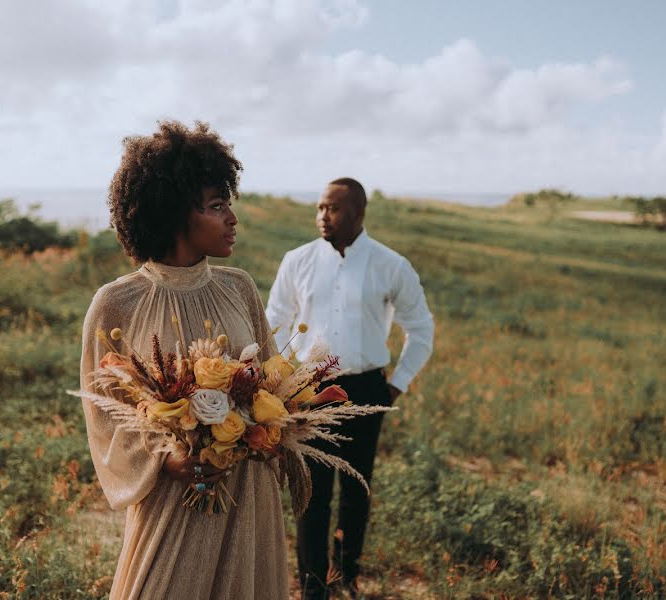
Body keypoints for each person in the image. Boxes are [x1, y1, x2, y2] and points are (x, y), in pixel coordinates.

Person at [79, 120, 288, 599]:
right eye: (215, 206)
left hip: (247, 491)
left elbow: (272, 381)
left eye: (227, 202)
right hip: (175, 499)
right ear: (174, 214)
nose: (232, 218)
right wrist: (164, 459)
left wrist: (267, 431)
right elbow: (103, 415)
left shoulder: (239, 288)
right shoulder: (117, 303)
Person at [265, 178, 435, 598]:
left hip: (367, 388)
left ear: (359, 214)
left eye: (333, 209)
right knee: (312, 490)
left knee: (357, 488)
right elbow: (274, 321)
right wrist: (282, 380)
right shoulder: (298, 260)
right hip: (309, 388)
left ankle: (347, 575)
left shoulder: (390, 265)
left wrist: (395, 385)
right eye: (320, 207)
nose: (323, 216)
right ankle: (313, 584)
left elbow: (421, 329)